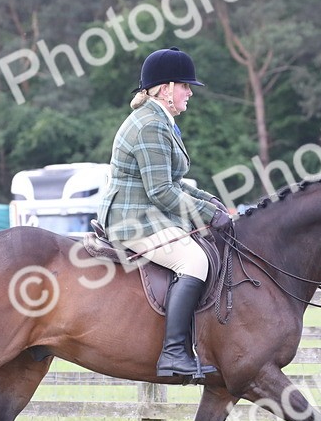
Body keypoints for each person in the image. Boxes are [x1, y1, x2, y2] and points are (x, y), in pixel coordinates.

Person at [96, 46, 231, 381]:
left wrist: (209, 201)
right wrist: (206, 215)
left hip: (149, 213)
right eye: (185, 86)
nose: (190, 93)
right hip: (133, 219)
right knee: (194, 261)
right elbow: (161, 192)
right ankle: (174, 354)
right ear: (166, 88)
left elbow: (174, 182)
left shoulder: (161, 121)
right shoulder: (150, 125)